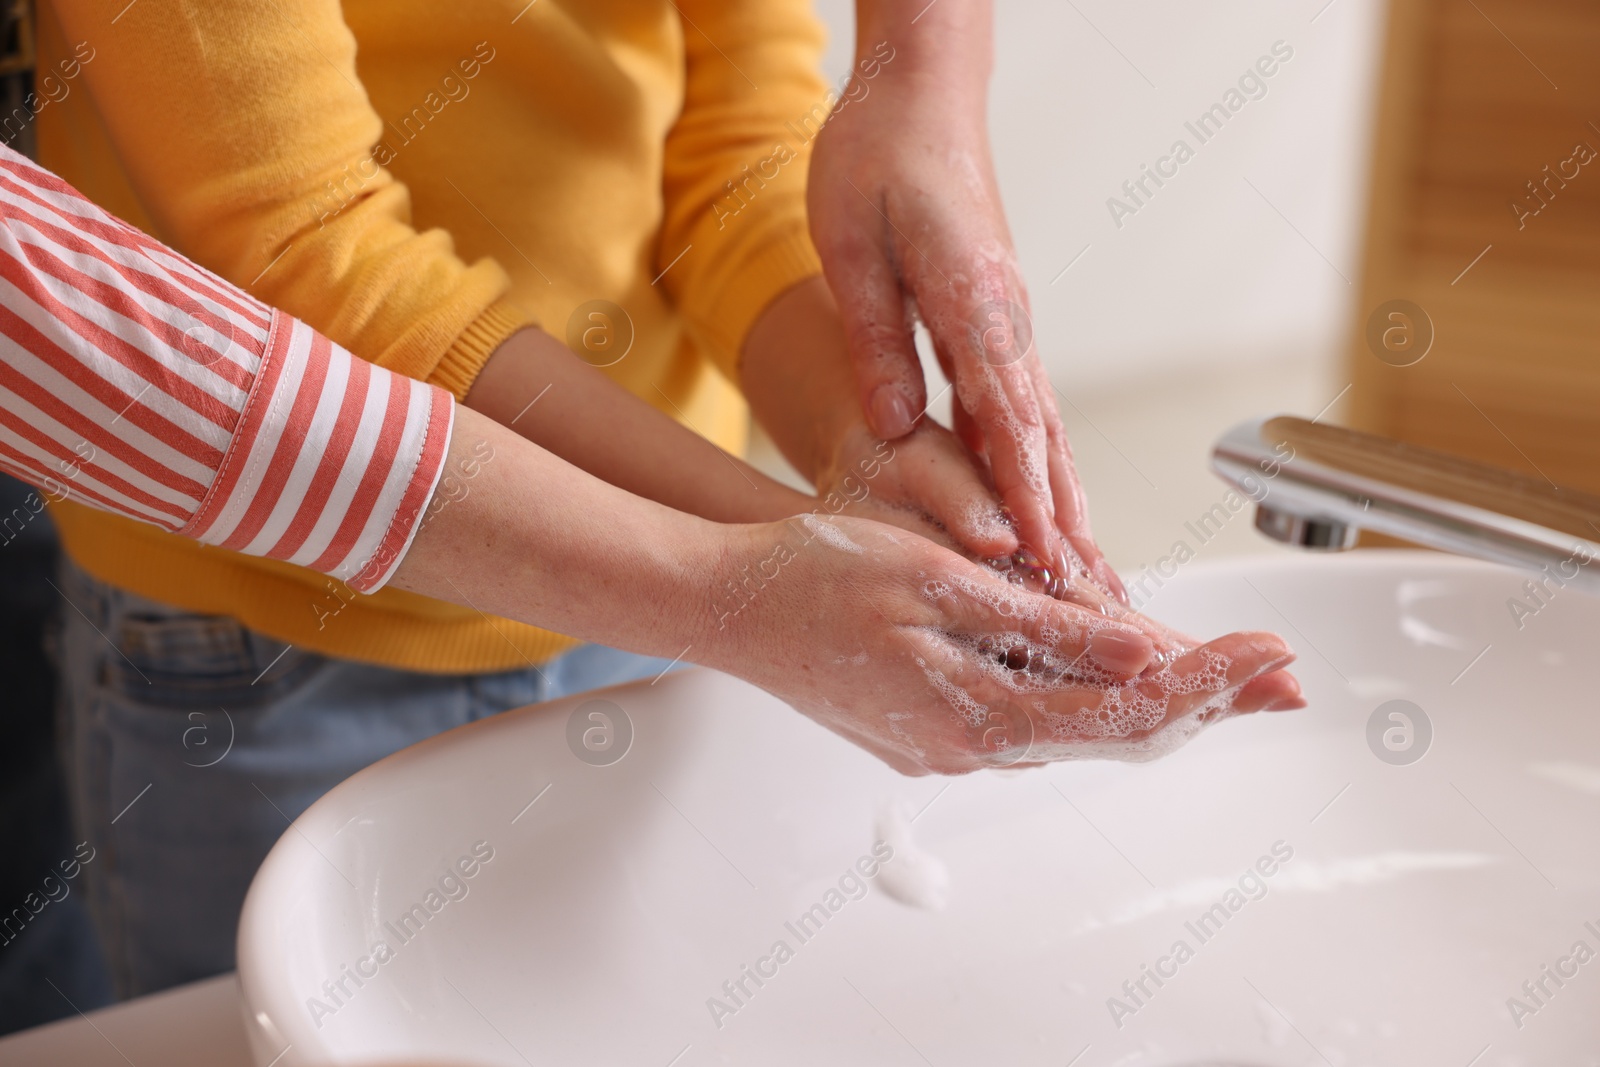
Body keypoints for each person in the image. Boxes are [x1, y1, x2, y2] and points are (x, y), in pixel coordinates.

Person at [18, 0, 1302, 1003]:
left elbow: (735, 157)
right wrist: (757, 561)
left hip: (645, 619)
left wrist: (872, 458)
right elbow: (304, 253)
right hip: (269, 656)